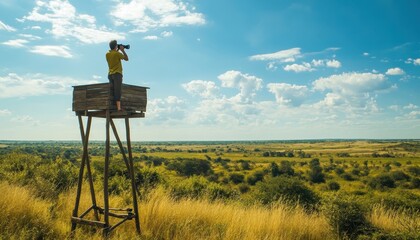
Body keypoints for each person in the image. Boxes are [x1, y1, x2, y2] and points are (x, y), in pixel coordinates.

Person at [106, 40, 129, 111]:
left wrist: (117, 49)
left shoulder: (107, 53)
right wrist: (122, 50)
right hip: (117, 74)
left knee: (112, 90)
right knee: (117, 90)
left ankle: (113, 105)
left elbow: (113, 53)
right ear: (116, 46)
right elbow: (126, 58)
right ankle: (118, 108)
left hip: (110, 74)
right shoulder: (117, 54)